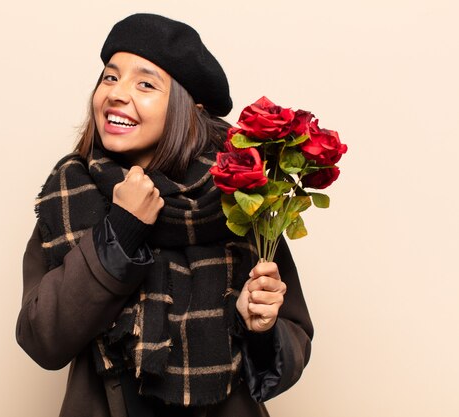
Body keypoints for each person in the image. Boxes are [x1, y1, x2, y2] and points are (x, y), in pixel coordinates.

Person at [16, 13, 313, 417]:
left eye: (145, 83)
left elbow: (293, 341)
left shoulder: (241, 198)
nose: (117, 94)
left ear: (189, 107)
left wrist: (259, 329)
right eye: (109, 77)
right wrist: (120, 229)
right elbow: (42, 340)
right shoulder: (72, 192)